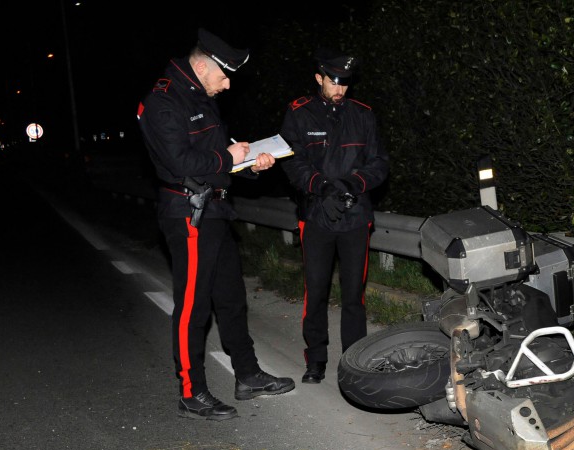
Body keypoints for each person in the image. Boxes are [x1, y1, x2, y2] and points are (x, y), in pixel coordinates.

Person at [137, 28, 295, 420]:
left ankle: (248, 376)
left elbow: (216, 155)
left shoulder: (198, 94)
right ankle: (192, 392)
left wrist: (251, 162)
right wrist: (227, 157)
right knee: (194, 307)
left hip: (217, 210)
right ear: (203, 65)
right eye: (224, 77)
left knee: (231, 299)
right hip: (189, 215)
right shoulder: (163, 102)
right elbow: (181, 164)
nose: (227, 86)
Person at [279, 47, 389, 384]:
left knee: (354, 293)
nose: (339, 89)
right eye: (333, 82)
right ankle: (315, 360)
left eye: (345, 83)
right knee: (316, 290)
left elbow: (379, 162)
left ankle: (354, 363)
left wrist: (352, 184)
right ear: (319, 78)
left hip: (355, 216)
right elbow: (291, 160)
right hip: (316, 216)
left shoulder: (363, 114)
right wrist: (321, 187)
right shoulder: (299, 113)